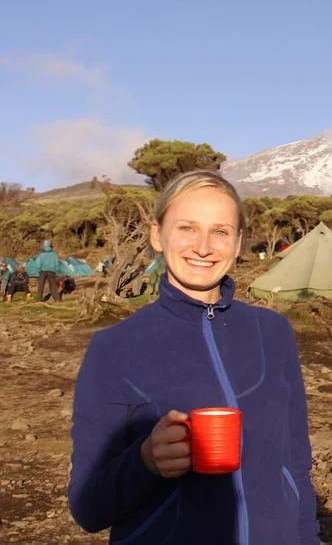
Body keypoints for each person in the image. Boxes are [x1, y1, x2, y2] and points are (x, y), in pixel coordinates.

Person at [68, 170, 319, 544]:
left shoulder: (274, 332)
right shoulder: (113, 347)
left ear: (237, 243)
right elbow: (87, 508)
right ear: (157, 235)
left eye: (220, 232)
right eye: (187, 228)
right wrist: (145, 462)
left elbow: (296, 464)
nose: (204, 247)